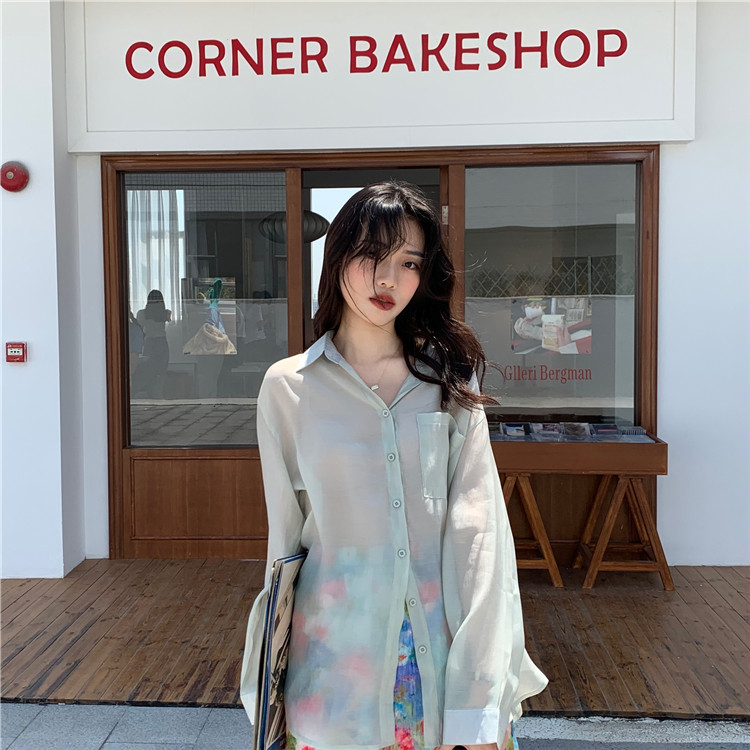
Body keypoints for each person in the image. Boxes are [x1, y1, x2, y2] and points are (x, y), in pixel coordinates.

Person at [240, 182, 548, 750]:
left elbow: (479, 539)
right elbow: (284, 548)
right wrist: (267, 685)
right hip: (332, 681)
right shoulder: (287, 389)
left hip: (440, 677)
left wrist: (478, 702)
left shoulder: (448, 383)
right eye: (371, 256)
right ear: (337, 258)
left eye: (408, 262)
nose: (388, 279)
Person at [134, 289, 171, 398]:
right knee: (161, 371)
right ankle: (158, 394)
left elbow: (139, 328)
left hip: (149, 343)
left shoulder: (142, 313)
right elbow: (169, 319)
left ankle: (150, 394)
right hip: (162, 343)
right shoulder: (166, 313)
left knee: (149, 370)